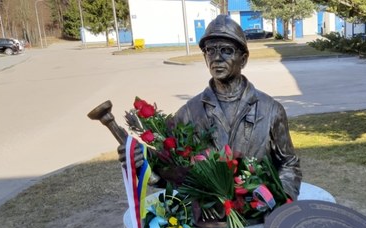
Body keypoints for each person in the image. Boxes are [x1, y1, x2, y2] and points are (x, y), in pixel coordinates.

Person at [120, 15, 302, 200]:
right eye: (210, 50)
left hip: (257, 211)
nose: (216, 57)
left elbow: (289, 164)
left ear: (244, 59)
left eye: (226, 50)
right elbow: (174, 173)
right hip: (208, 216)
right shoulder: (188, 113)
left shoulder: (271, 110)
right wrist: (141, 163)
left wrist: (278, 200)